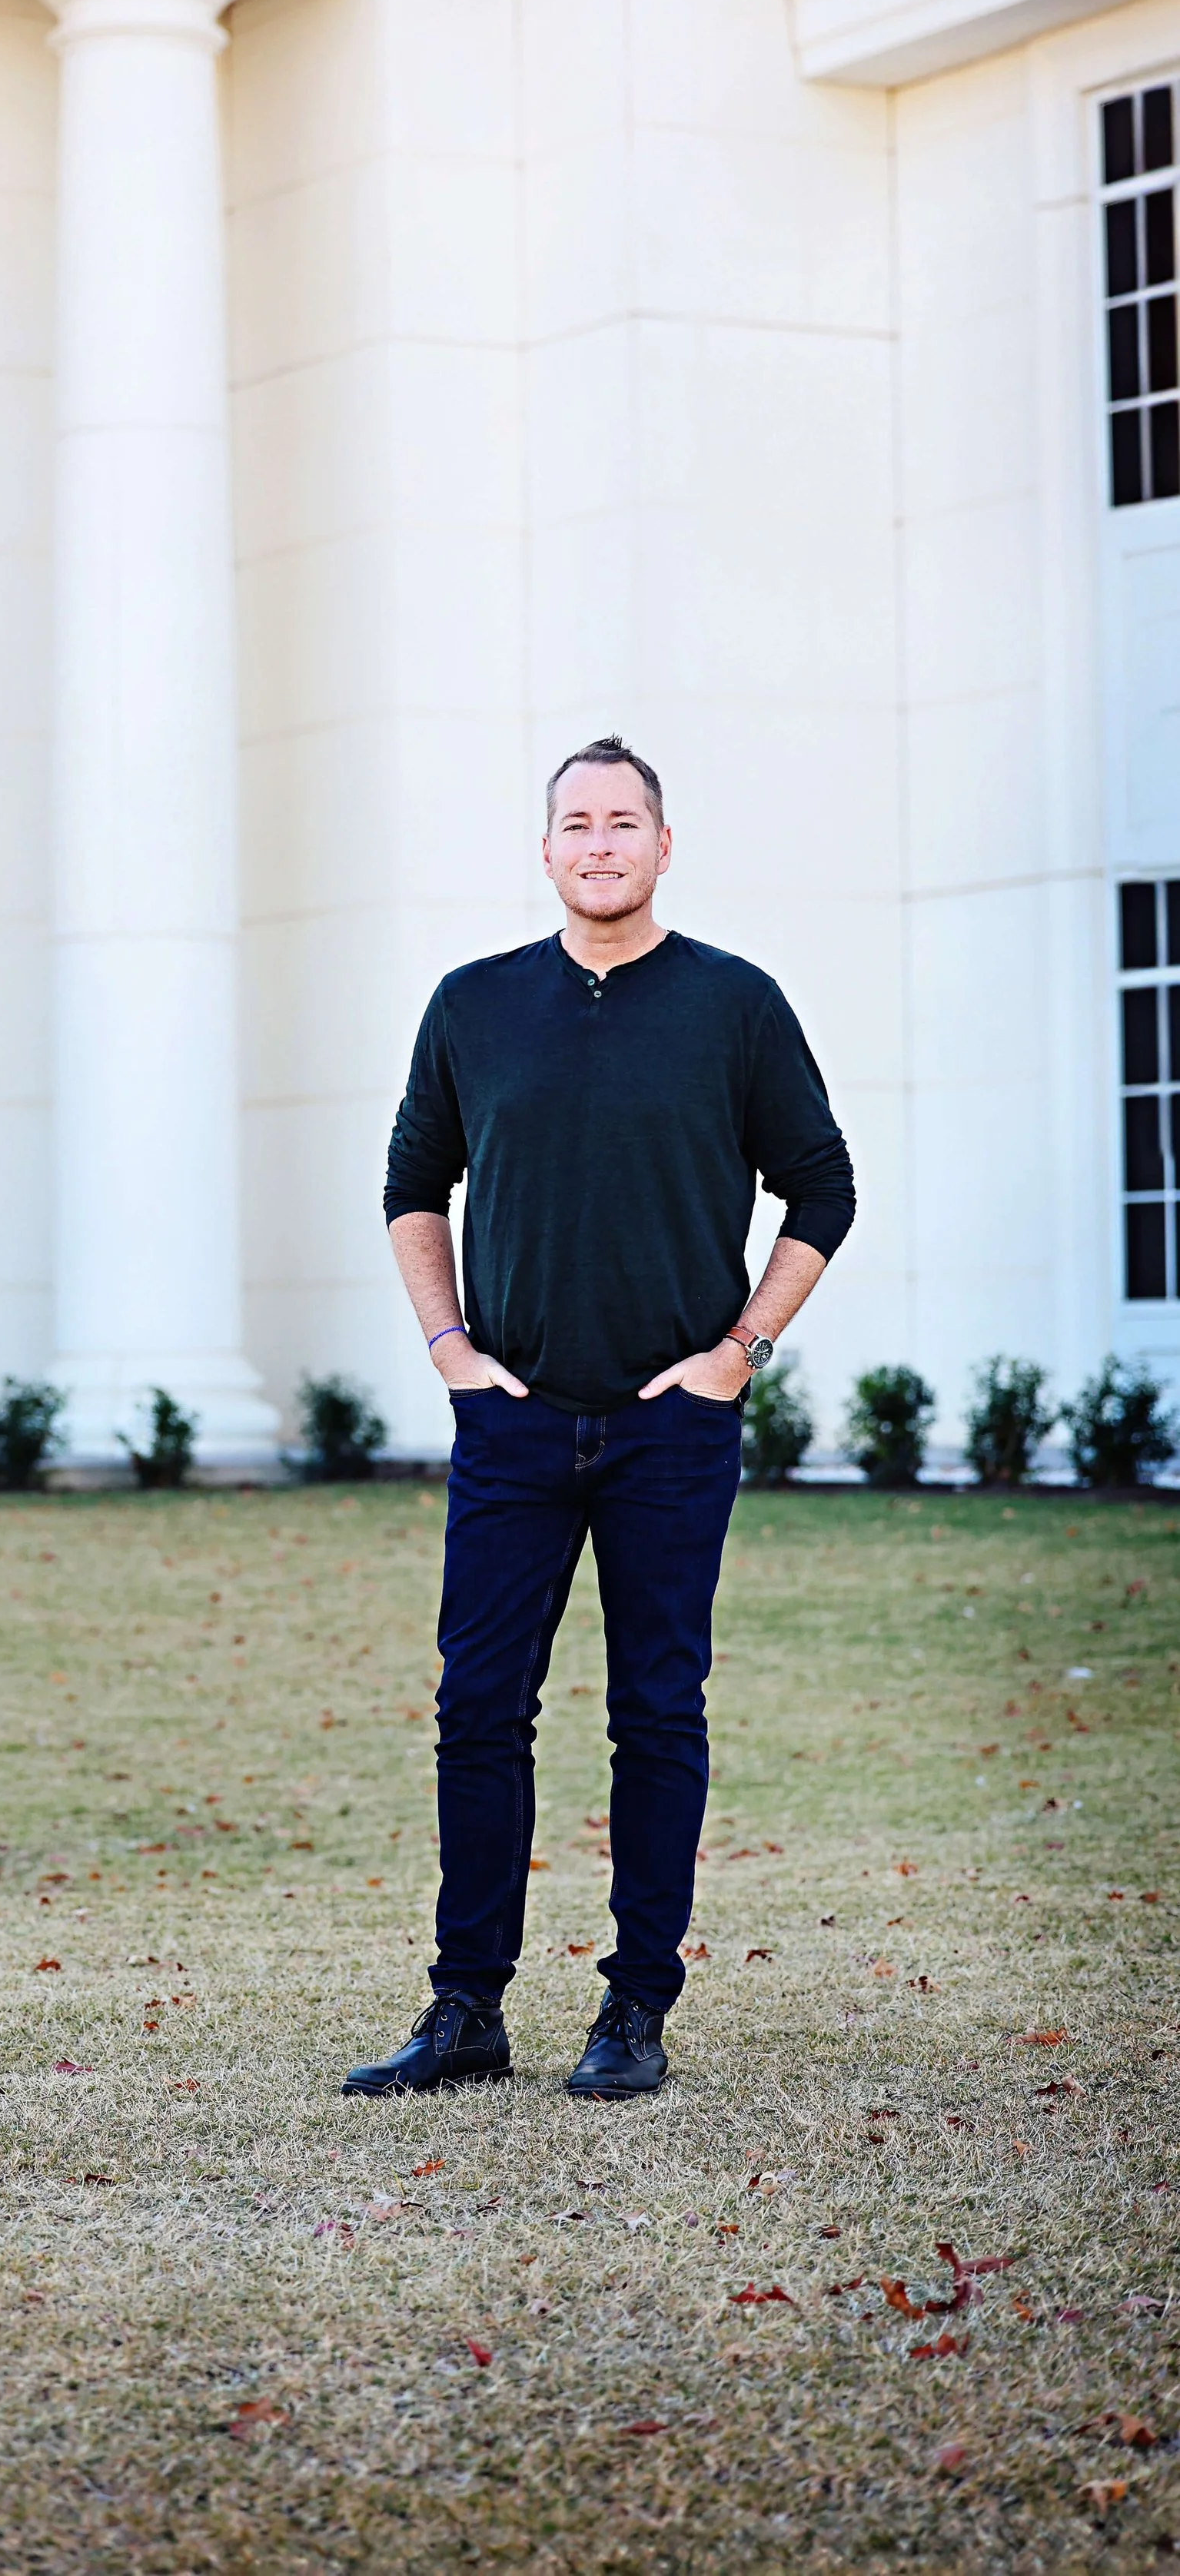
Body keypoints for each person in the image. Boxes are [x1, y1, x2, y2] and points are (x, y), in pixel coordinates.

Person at [344, 737, 854, 2101]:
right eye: (577, 822)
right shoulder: (474, 1004)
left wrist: (740, 1352)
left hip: (670, 1430)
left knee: (658, 1713)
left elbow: (823, 1186)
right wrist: (448, 1345)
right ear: (547, 848)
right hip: (512, 1423)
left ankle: (635, 2007)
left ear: (663, 846)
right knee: (477, 1709)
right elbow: (412, 1183)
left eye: (625, 822)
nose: (601, 843)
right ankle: (467, 2008)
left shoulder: (735, 1005)